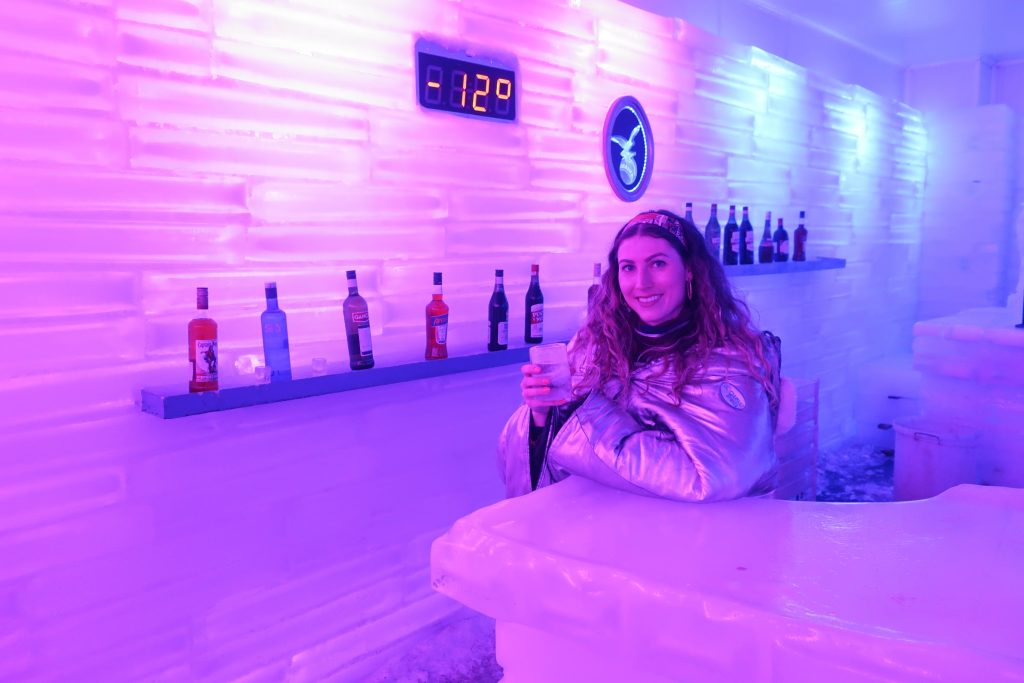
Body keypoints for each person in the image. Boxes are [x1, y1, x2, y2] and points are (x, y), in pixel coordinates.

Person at [497, 209, 781, 501]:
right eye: (628, 268)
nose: (641, 283)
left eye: (658, 264)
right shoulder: (593, 344)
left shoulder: (730, 358)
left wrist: (579, 416)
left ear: (689, 270)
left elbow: (717, 477)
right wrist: (543, 414)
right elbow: (531, 462)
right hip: (599, 531)